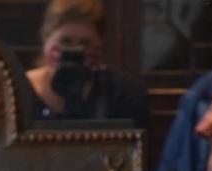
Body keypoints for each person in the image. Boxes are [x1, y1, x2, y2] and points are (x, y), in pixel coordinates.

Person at [25, 1, 149, 129]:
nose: (74, 51)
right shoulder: (20, 91)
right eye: (65, 41)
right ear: (46, 38)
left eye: (85, 43)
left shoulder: (124, 93)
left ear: (100, 44)